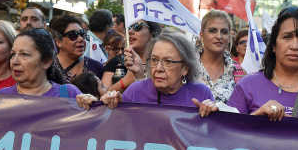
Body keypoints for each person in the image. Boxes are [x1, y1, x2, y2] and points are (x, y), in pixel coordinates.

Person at [77, 32, 216, 116]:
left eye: (168, 62)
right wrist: (96, 104)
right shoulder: (135, 91)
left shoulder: (201, 94)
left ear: (185, 68)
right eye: (154, 60)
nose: (158, 68)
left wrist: (211, 115)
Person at [0, 29, 82, 98]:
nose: (15, 62)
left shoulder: (69, 93)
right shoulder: (2, 95)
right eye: (13, 54)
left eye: (24, 54)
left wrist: (89, 103)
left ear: (46, 62)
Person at [197, 10, 245, 103]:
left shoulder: (239, 72)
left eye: (224, 31)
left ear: (229, 37)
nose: (219, 36)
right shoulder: (186, 67)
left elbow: (242, 110)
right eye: (212, 31)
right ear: (202, 36)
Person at [102, 19, 162, 92]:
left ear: (152, 34)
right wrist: (125, 81)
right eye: (130, 27)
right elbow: (103, 97)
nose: (130, 31)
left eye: (137, 26)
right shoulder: (118, 61)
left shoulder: (161, 66)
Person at [50, 15, 103, 83]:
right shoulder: (47, 68)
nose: (80, 39)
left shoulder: (96, 67)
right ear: (59, 42)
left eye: (82, 33)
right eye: (73, 35)